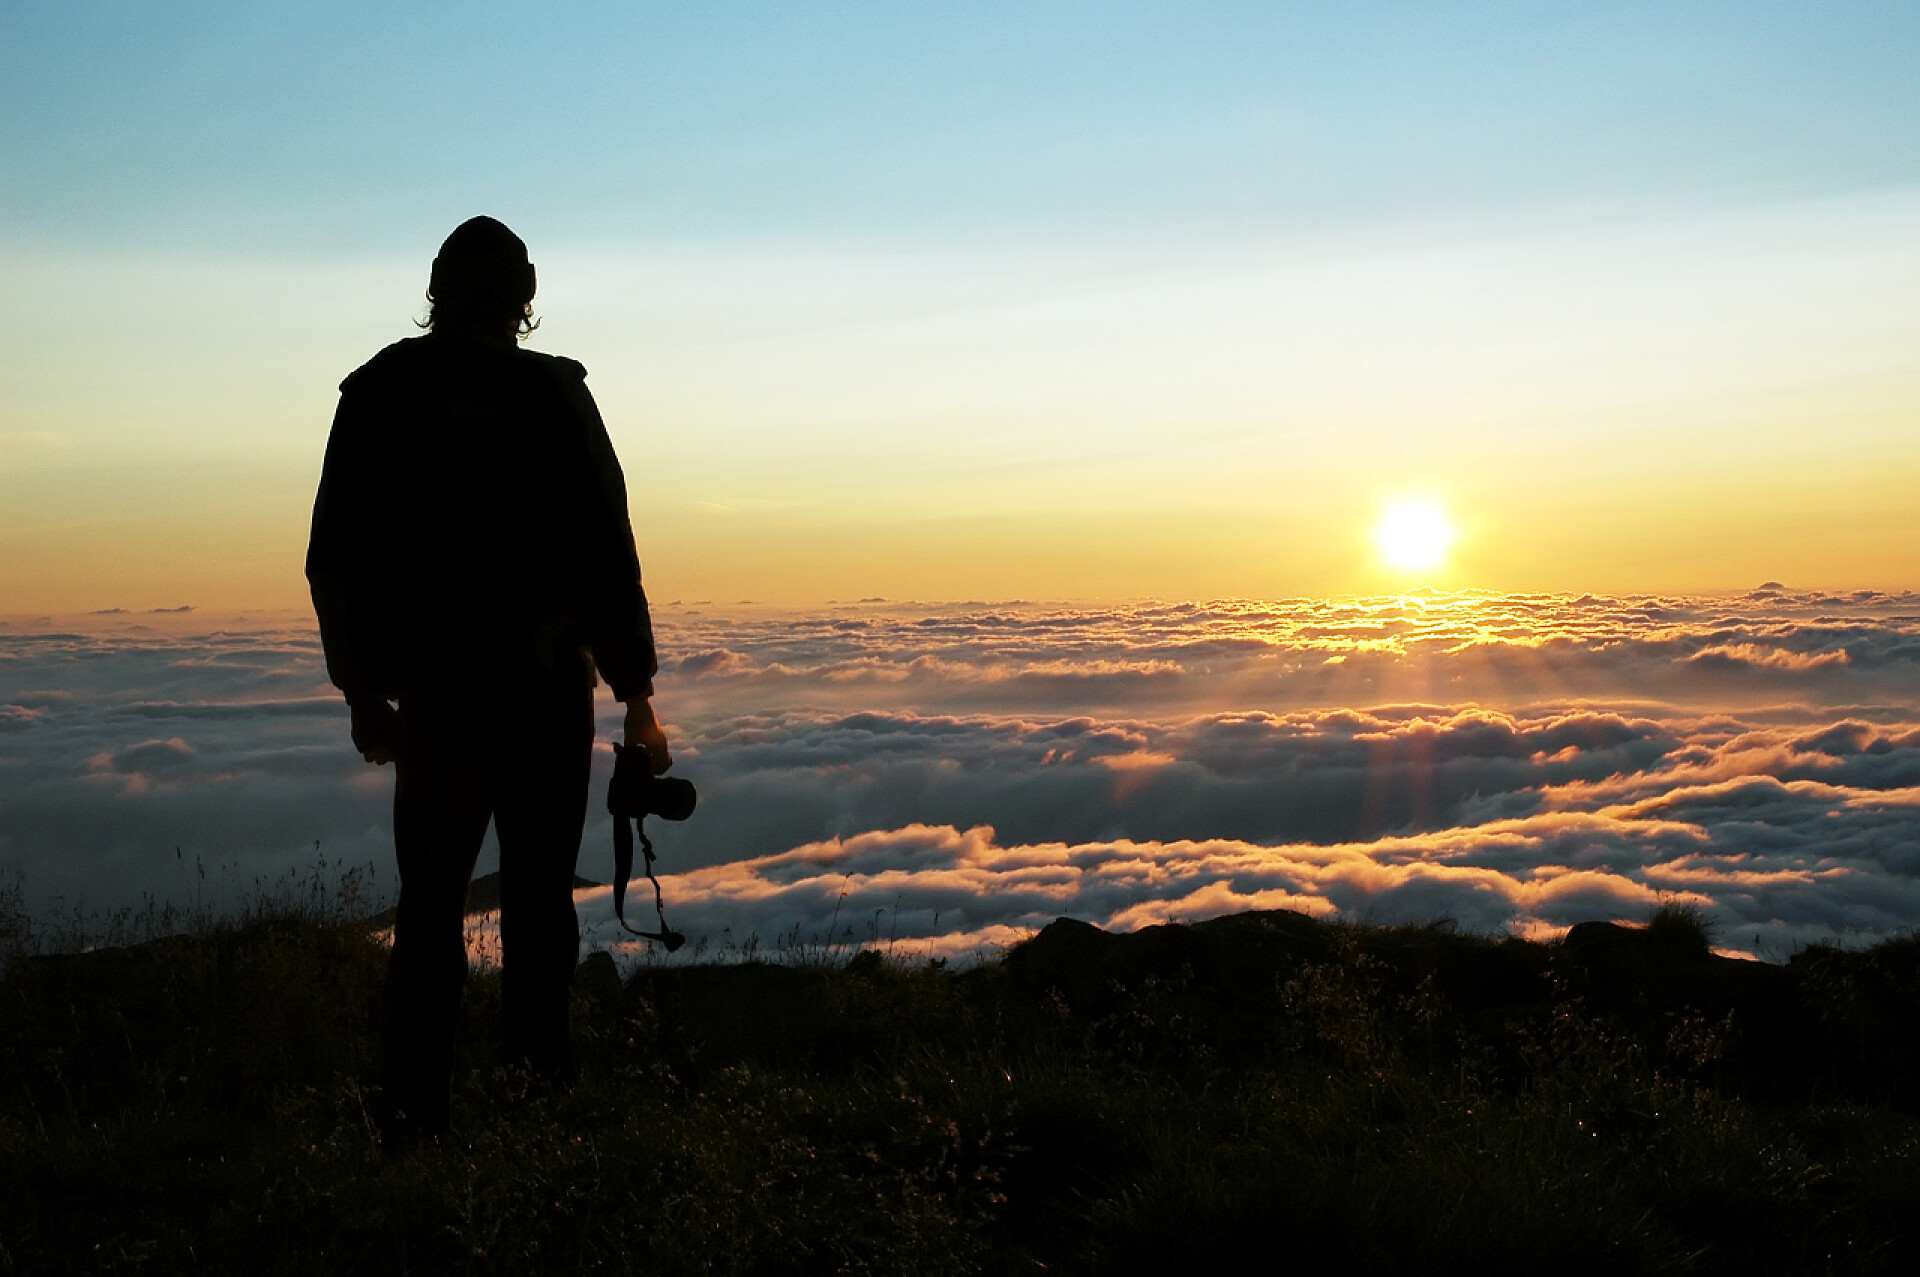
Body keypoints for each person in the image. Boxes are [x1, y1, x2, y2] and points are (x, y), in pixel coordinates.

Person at [306, 216, 671, 1143]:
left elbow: (335, 557)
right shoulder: (554, 394)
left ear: (436, 284)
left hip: (437, 695)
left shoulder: (381, 391)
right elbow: (606, 548)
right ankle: (536, 1110)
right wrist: (635, 694)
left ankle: (412, 1118)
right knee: (540, 905)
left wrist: (364, 694)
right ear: (527, 290)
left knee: (429, 910)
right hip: (545, 692)